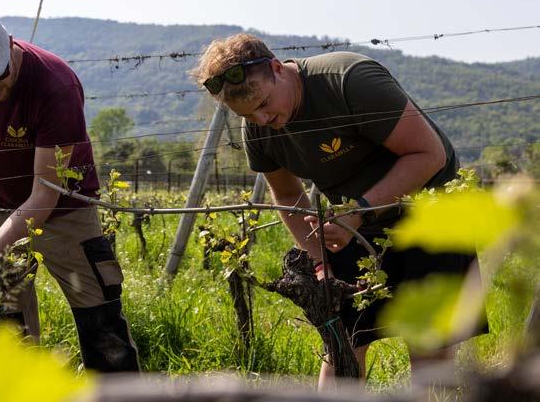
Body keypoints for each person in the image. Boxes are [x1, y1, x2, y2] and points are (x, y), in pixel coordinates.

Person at [192, 33, 486, 388]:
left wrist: (360, 211)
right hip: (355, 221)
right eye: (248, 114)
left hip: (432, 206)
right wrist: (321, 261)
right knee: (341, 339)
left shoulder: (349, 80)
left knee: (429, 342)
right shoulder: (258, 129)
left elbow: (429, 154)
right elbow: (287, 194)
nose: (262, 117)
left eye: (265, 103)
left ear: (277, 68)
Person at [0, 12, 139, 372]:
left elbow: (44, 195)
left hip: (65, 208)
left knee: (101, 323)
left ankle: (118, 391)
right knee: (3, 327)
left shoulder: (56, 86)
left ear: (10, 45)